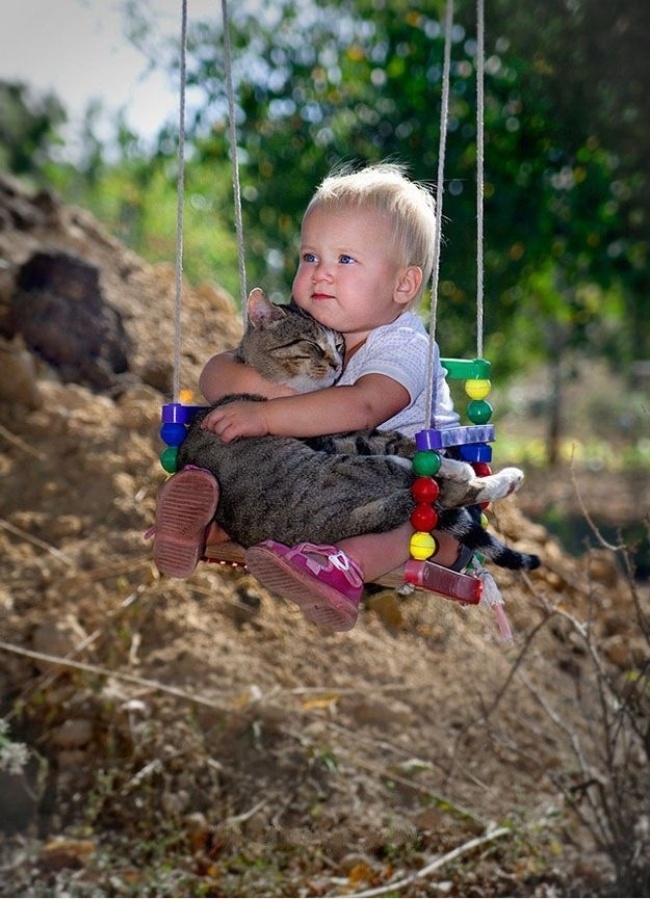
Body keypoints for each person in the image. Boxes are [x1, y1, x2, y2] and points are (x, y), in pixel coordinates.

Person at [153, 162, 468, 631]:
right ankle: (207, 521)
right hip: (327, 481)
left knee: (413, 522)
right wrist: (264, 393)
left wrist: (267, 416)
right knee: (234, 442)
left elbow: (363, 406)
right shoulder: (313, 327)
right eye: (309, 257)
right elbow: (218, 371)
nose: (320, 274)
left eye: (345, 260)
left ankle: (343, 568)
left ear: (403, 285)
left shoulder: (404, 345)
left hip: (419, 480)